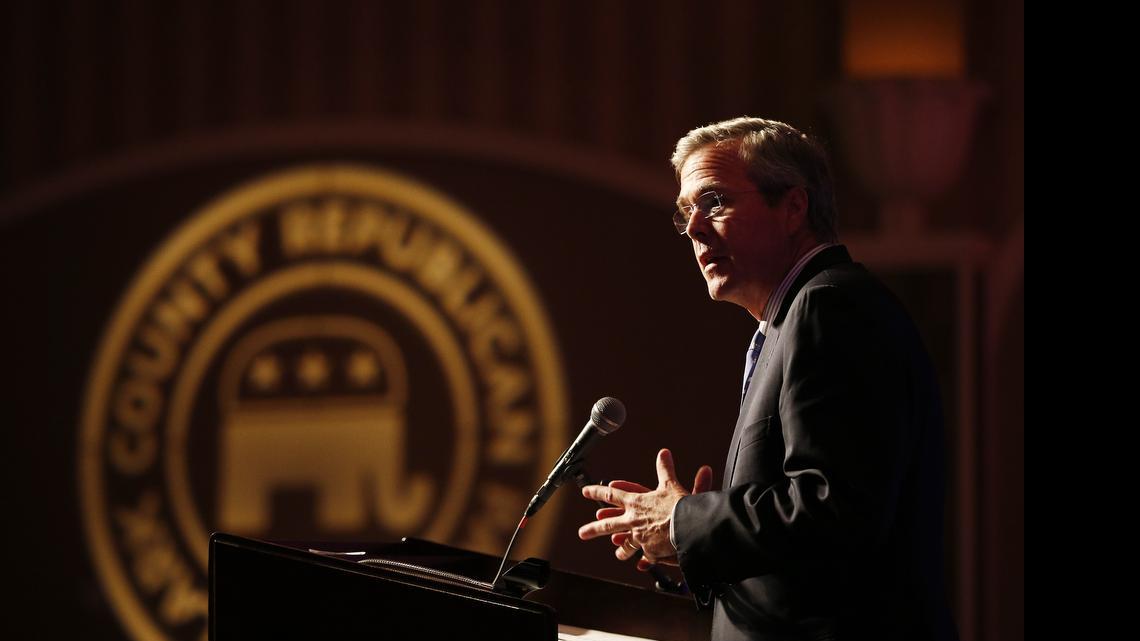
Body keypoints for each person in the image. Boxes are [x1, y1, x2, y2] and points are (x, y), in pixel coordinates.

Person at [577, 117, 959, 641]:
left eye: (713, 202)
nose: (692, 229)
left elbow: (833, 507)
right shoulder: (792, 320)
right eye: (685, 212)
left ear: (794, 207)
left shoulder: (829, 306)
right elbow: (806, 551)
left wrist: (687, 520)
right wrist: (687, 542)